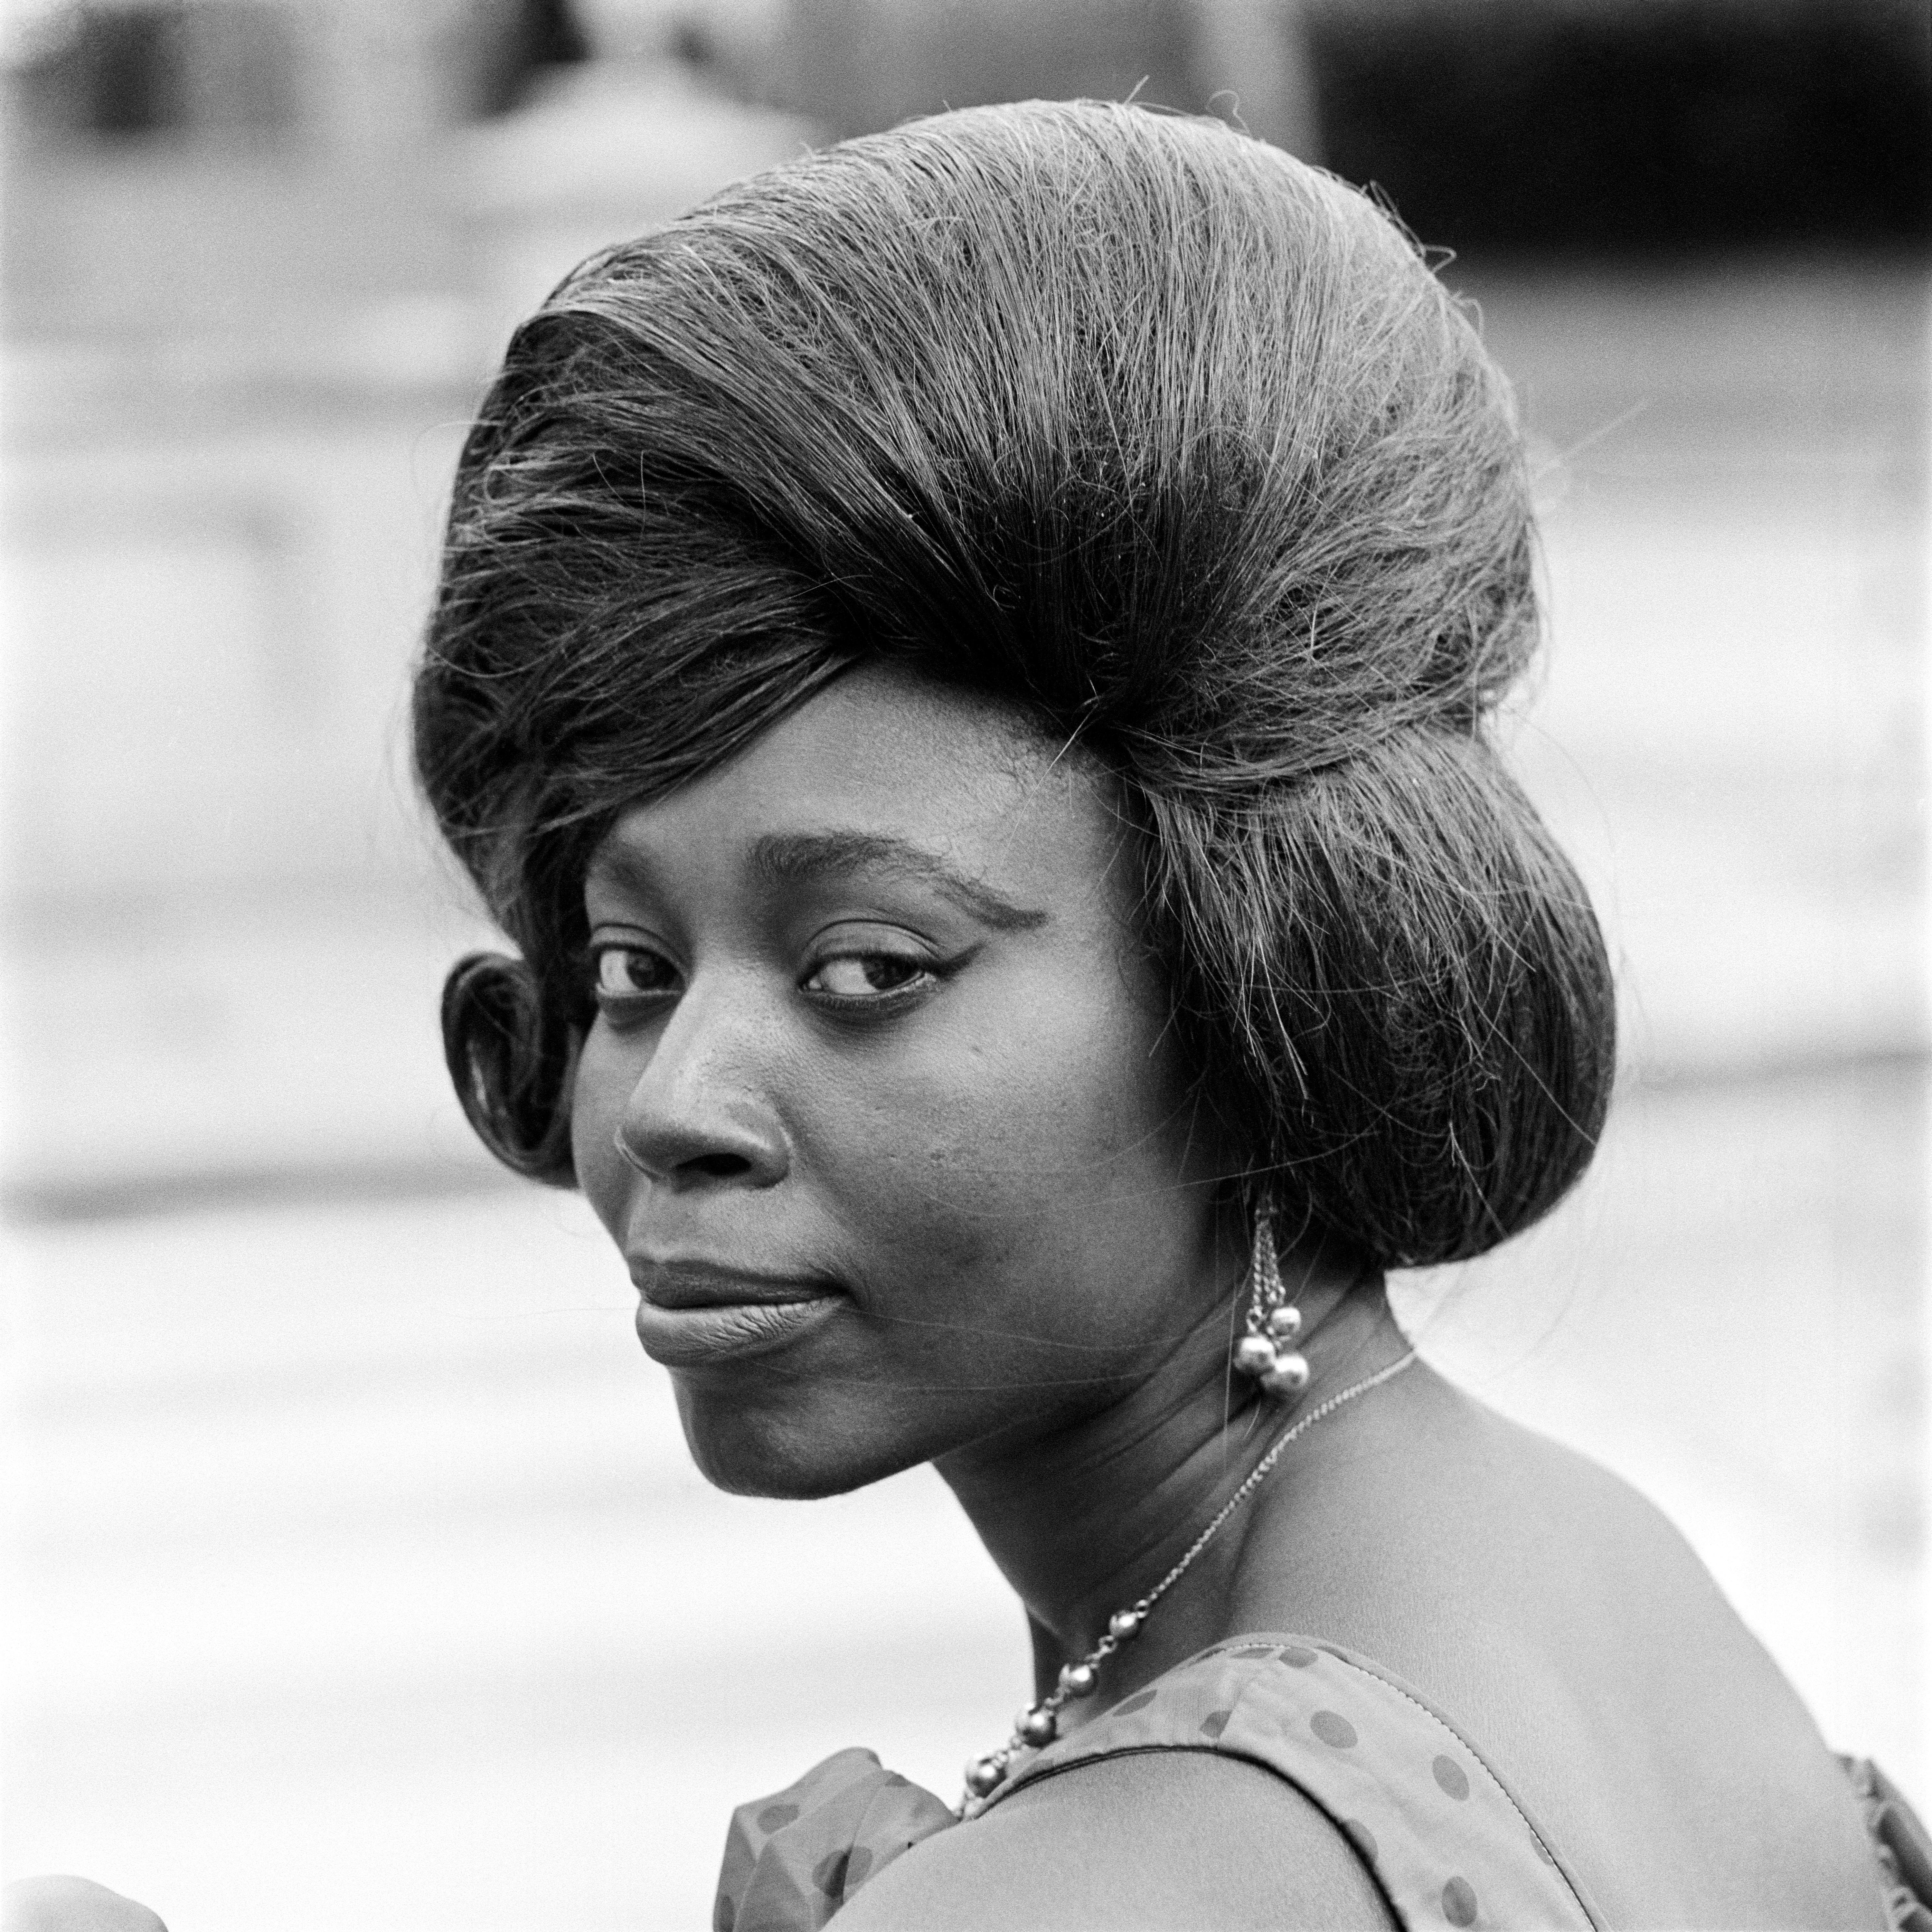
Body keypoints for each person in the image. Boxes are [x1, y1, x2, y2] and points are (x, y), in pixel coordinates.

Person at [407, 99, 1928, 1930]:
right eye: (636, 970)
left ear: (1263, 992)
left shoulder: (1135, 1876)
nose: (671, 1106)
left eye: (867, 972)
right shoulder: (1588, 1571)